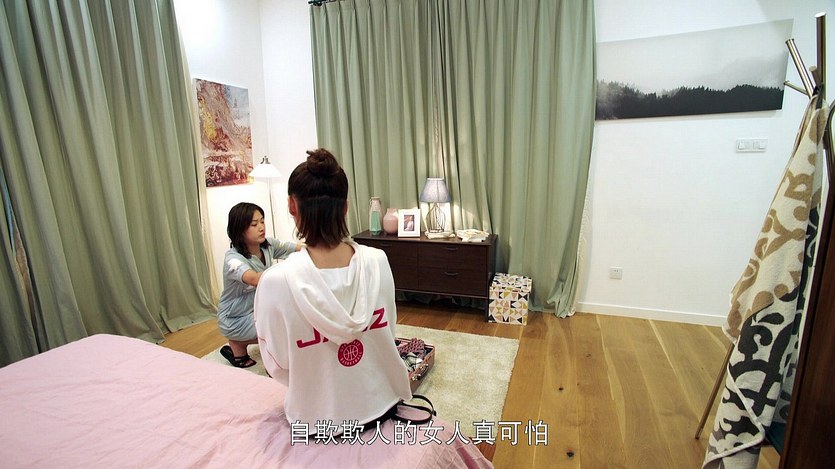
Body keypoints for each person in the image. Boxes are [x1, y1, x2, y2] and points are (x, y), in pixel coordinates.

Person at [255, 148, 412, 434]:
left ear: (292, 206)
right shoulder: (378, 261)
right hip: (381, 405)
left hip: (314, 419)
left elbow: (277, 364)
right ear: (345, 207)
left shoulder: (275, 281)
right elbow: (388, 332)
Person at [217, 202, 301, 368]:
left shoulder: (268, 245)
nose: (261, 227)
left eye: (262, 221)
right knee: (281, 326)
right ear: (239, 230)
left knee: (292, 314)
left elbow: (296, 248)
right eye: (254, 224)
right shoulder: (233, 260)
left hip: (256, 309)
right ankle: (238, 342)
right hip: (235, 318)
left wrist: (321, 249)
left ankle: (239, 345)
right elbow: (255, 279)